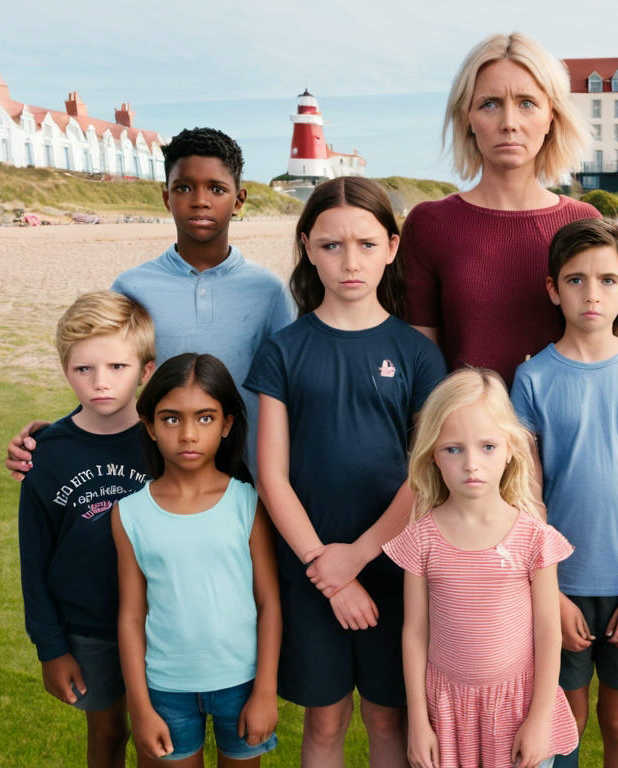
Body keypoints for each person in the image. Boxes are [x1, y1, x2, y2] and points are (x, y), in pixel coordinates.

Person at [245, 177, 446, 767]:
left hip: (394, 562)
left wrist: (356, 557)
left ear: (391, 245)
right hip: (309, 565)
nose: (349, 261)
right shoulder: (283, 350)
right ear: (308, 247)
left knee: (389, 715)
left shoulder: (416, 353)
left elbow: (425, 474)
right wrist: (324, 566)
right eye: (331, 245)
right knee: (325, 721)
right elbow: (271, 475)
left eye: (364, 244)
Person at [5, 127, 295, 479]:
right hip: (153, 476)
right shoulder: (131, 287)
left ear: (238, 200)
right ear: (165, 197)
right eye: (184, 187)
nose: (200, 200)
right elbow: (106, 376)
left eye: (216, 189)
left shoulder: (269, 290)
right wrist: (55, 437)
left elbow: (289, 390)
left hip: (249, 474)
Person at [511, 218, 618, 766]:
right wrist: (552, 593)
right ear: (552, 289)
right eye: (576, 280)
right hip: (559, 585)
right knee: (566, 718)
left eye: (608, 280)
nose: (592, 293)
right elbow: (527, 499)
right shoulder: (534, 378)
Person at [383, 368, 578, 768]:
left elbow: (547, 631)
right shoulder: (421, 538)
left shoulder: (533, 537)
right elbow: (415, 632)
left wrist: (539, 719)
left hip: (518, 708)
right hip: (449, 713)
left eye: (487, 446)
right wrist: (418, 722)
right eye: (454, 449)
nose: (472, 463)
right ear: (433, 454)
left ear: (510, 448)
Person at [401, 32, 600, 385]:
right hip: (461, 435)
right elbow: (420, 367)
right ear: (467, 118)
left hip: (566, 436)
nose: (509, 122)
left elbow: (601, 351)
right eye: (490, 103)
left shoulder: (584, 223)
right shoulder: (429, 225)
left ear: (550, 116)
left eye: (526, 103)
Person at [112, 353, 281, 766]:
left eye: (205, 418)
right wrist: (140, 706)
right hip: (166, 687)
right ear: (149, 425)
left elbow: (269, 604)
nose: (188, 434)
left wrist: (264, 691)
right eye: (171, 419)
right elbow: (131, 616)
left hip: (241, 684)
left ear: (226, 424)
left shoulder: (248, 503)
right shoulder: (129, 513)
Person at [18, 291, 155, 768]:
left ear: (147, 370)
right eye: (84, 369)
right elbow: (33, 562)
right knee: (107, 732)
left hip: (161, 623)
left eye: (118, 367)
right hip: (87, 628)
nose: (101, 383)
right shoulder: (47, 453)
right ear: (64, 371)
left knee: (158, 738)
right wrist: (50, 647)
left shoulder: (167, 442)